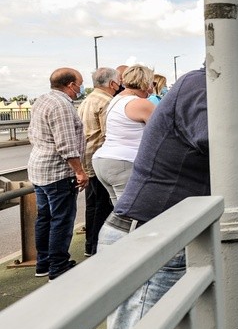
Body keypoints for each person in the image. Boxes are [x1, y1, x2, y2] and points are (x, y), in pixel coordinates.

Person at [101, 16, 238, 329]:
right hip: (148, 236)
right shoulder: (200, 87)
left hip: (175, 235)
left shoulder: (232, 97)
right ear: (231, 52)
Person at [27, 68, 88, 280]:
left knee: (44, 217)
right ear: (70, 84)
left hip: (38, 168)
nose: (80, 87)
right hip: (57, 172)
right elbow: (66, 144)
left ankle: (42, 263)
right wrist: (80, 171)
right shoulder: (62, 106)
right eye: (79, 83)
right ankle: (59, 266)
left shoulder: (42, 100)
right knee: (61, 219)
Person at [92, 64, 156, 204]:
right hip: (123, 161)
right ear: (146, 82)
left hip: (102, 160)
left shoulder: (116, 99)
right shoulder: (141, 103)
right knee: (132, 214)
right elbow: (163, 132)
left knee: (119, 213)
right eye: (153, 82)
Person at [77, 67, 120, 257]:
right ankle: (97, 248)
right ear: (112, 84)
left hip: (87, 158)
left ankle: (90, 246)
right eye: (118, 82)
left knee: (92, 205)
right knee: (103, 205)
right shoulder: (108, 102)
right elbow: (108, 133)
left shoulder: (87, 100)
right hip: (101, 157)